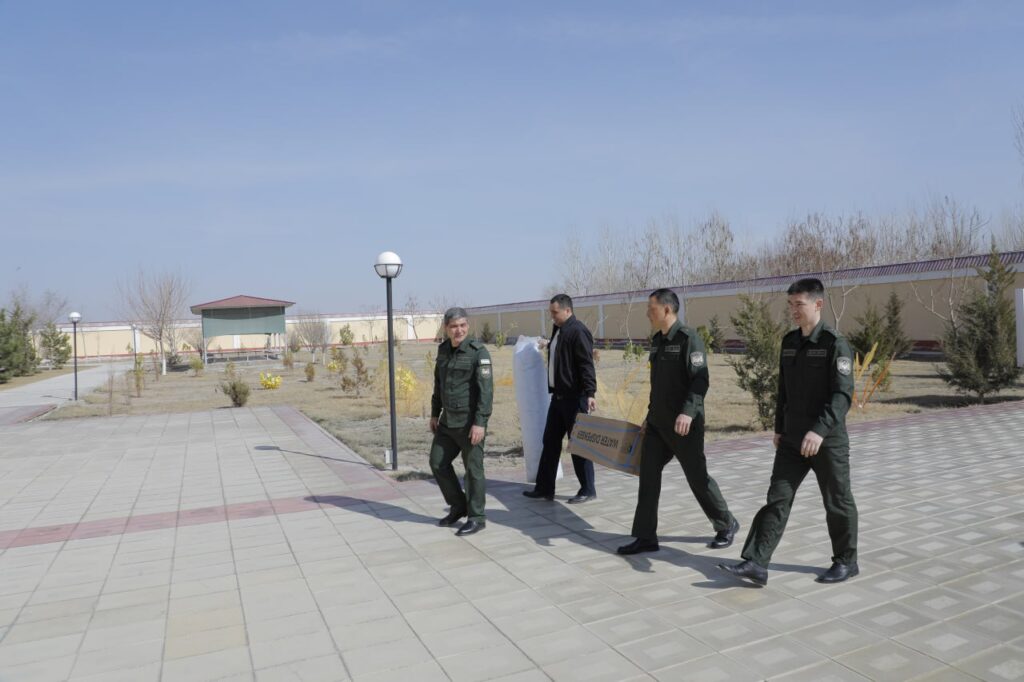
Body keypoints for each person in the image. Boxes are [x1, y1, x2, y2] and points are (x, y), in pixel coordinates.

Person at [720, 278, 859, 585]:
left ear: (818, 304)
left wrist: (819, 431)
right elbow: (783, 390)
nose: (794, 310)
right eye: (790, 305)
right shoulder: (789, 341)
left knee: (837, 501)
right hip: (792, 439)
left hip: (827, 440)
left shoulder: (835, 344)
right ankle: (757, 562)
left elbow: (842, 395)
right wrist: (779, 428)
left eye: (800, 304)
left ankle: (846, 561)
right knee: (777, 498)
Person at [617, 288, 739, 555]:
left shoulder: (688, 339)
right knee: (648, 477)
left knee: (697, 477)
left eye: (651, 309)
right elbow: (658, 386)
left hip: (684, 426)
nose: (647, 313)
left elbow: (700, 379)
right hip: (658, 425)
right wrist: (649, 416)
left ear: (667, 309)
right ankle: (646, 537)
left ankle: (726, 523)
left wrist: (688, 412)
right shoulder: (657, 341)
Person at [522, 294, 598, 504]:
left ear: (567, 310)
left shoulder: (578, 331)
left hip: (575, 398)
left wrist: (590, 393)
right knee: (550, 441)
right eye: (551, 313)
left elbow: (586, 364)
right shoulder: (559, 329)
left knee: (578, 444)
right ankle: (545, 488)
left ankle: (588, 489)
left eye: (555, 313)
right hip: (558, 398)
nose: (552, 316)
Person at [429, 307, 494, 536]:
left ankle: (477, 517)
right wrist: (434, 413)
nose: (459, 330)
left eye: (463, 325)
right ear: (446, 328)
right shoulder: (443, 350)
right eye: (454, 326)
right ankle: (458, 506)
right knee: (437, 463)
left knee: (473, 471)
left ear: (468, 325)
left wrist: (480, 423)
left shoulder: (478, 353)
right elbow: (439, 384)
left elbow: (486, 392)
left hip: (469, 424)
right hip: (447, 422)